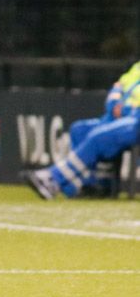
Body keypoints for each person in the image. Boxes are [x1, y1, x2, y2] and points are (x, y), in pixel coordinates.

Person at [24, 60, 140, 199]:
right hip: (117, 118)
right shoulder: (137, 67)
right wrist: (114, 103)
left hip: (135, 120)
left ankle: (53, 179)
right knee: (80, 129)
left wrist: (127, 110)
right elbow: (118, 86)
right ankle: (87, 186)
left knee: (99, 136)